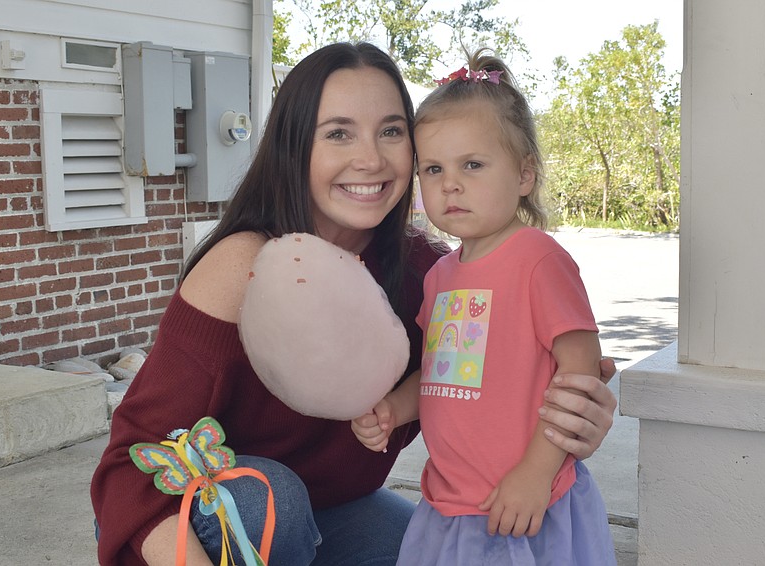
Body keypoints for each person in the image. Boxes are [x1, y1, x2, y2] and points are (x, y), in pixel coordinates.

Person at [90, 41, 617, 566]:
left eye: (390, 131)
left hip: (331, 511)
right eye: (338, 133)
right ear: (295, 147)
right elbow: (131, 462)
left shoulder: (425, 274)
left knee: (424, 547)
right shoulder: (242, 266)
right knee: (270, 498)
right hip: (201, 518)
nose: (370, 159)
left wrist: (567, 421)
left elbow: (497, 378)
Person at [352, 48, 617, 565]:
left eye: (472, 164)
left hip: (528, 505)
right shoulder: (439, 276)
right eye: (433, 168)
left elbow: (581, 373)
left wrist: (535, 475)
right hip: (451, 506)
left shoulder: (538, 260)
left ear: (524, 175)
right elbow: (438, 371)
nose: (450, 183)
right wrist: (393, 410)